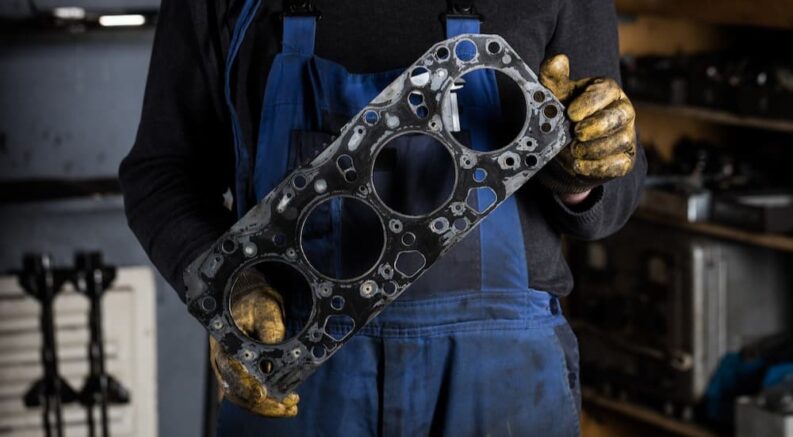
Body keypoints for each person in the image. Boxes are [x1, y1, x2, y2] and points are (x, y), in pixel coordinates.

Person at [119, 0, 646, 435]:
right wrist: (229, 287)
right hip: (298, 361)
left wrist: (581, 174)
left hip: (498, 384)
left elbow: (611, 204)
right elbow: (162, 171)